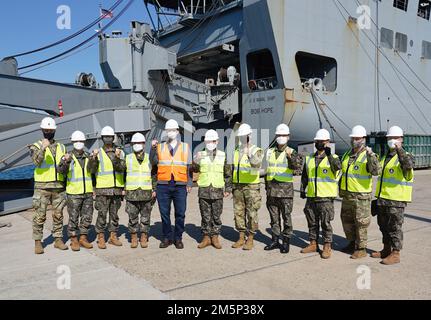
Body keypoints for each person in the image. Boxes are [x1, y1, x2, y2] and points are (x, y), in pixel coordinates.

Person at [372, 126, 414, 265]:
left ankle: (396, 253)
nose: (392, 140)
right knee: (383, 226)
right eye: (390, 138)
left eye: (395, 138)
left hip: (396, 201)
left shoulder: (406, 156)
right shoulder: (385, 157)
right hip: (383, 200)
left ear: (401, 139)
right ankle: (386, 249)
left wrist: (399, 149)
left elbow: (407, 166)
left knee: (395, 227)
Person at [339, 125, 381, 259]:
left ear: (363, 139)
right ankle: (352, 243)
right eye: (353, 138)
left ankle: (361, 248)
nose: (354, 140)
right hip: (347, 195)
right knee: (347, 221)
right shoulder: (347, 154)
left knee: (361, 223)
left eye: (357, 138)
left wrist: (372, 156)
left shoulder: (368, 155)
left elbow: (375, 171)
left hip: (361, 196)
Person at [150, 119, 192, 249]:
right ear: (166, 132)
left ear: (177, 131)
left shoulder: (185, 146)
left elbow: (189, 166)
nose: (171, 132)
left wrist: (189, 183)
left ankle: (178, 238)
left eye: (173, 130)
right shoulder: (160, 147)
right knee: (164, 213)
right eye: (169, 130)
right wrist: (152, 149)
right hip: (163, 184)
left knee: (180, 213)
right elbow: (153, 161)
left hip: (180, 184)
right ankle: (167, 237)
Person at [300, 128, 341, 259]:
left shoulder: (333, 158)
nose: (319, 143)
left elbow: (337, 168)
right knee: (312, 222)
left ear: (328, 142)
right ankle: (313, 243)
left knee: (325, 223)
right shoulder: (309, 158)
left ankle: (327, 246)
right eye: (317, 141)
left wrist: (329, 155)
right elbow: (305, 176)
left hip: (325, 197)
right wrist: (302, 188)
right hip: (312, 196)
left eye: (322, 141)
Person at [29, 117, 67, 254]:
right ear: (42, 130)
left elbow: (64, 169)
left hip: (58, 186)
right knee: (40, 215)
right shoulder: (36, 146)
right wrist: (43, 149)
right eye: (46, 130)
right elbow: (36, 162)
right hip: (42, 186)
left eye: (50, 130)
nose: (48, 132)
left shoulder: (62, 147)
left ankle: (58, 239)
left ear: (54, 130)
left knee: (58, 215)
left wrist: (66, 163)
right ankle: (38, 242)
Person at [264, 124, 302, 253]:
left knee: (286, 217)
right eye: (279, 135)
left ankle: (286, 242)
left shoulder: (292, 151)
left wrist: (290, 157)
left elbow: (297, 167)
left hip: (285, 192)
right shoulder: (269, 151)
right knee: (274, 218)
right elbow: (267, 170)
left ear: (288, 137)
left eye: (284, 135)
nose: (281, 137)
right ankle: (275, 240)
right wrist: (266, 187)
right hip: (271, 191)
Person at [191, 129, 232, 249]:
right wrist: (195, 161)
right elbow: (194, 170)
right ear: (205, 142)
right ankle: (206, 237)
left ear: (217, 141)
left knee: (216, 216)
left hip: (218, 190)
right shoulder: (200, 155)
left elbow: (228, 174)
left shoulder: (223, 155)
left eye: (213, 141)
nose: (210, 143)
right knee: (205, 215)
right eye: (208, 141)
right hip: (204, 190)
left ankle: (215, 237)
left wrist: (228, 188)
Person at [88, 126, 126, 249]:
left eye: (110, 136)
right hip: (102, 190)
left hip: (116, 190)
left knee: (114, 215)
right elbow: (91, 170)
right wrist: (93, 159)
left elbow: (122, 169)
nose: (108, 139)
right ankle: (100, 237)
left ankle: (113, 236)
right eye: (106, 137)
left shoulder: (120, 152)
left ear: (113, 137)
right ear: (102, 138)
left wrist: (117, 157)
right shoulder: (97, 153)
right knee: (102, 214)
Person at [58, 131, 94, 251]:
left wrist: (94, 159)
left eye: (81, 141)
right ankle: (74, 239)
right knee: (73, 217)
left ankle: (83, 238)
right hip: (73, 192)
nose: (79, 143)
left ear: (84, 142)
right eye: (76, 141)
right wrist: (66, 161)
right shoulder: (67, 156)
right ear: (72, 142)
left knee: (87, 216)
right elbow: (60, 171)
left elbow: (93, 171)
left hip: (87, 192)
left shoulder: (88, 156)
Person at [231, 123, 263, 250]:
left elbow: (256, 165)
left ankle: (250, 238)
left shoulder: (257, 150)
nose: (242, 138)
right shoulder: (236, 151)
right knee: (238, 212)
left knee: (251, 212)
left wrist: (249, 153)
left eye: (244, 136)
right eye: (241, 136)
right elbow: (233, 168)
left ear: (249, 135)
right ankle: (240, 236)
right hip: (238, 185)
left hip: (251, 186)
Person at [124, 133, 156, 248]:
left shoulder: (149, 157)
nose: (137, 145)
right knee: (132, 217)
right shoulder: (127, 158)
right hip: (132, 193)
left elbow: (154, 174)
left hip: (146, 192)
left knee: (145, 217)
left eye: (139, 142)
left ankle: (143, 236)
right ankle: (133, 237)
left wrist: (154, 188)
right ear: (132, 144)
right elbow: (122, 173)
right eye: (135, 143)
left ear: (143, 144)